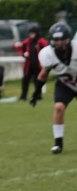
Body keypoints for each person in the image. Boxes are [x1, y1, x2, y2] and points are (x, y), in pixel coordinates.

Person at [30, 23, 77, 154]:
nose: (59, 43)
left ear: (69, 38)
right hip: (65, 83)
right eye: (56, 40)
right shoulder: (48, 53)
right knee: (58, 108)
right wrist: (36, 93)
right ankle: (58, 143)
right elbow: (43, 74)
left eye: (62, 39)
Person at [15, 24, 49, 101]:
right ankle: (23, 96)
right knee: (25, 80)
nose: (31, 35)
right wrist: (23, 54)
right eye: (30, 33)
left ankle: (38, 95)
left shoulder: (41, 41)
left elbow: (47, 49)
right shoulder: (27, 41)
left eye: (33, 33)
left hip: (38, 65)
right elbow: (19, 47)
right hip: (28, 65)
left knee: (38, 81)